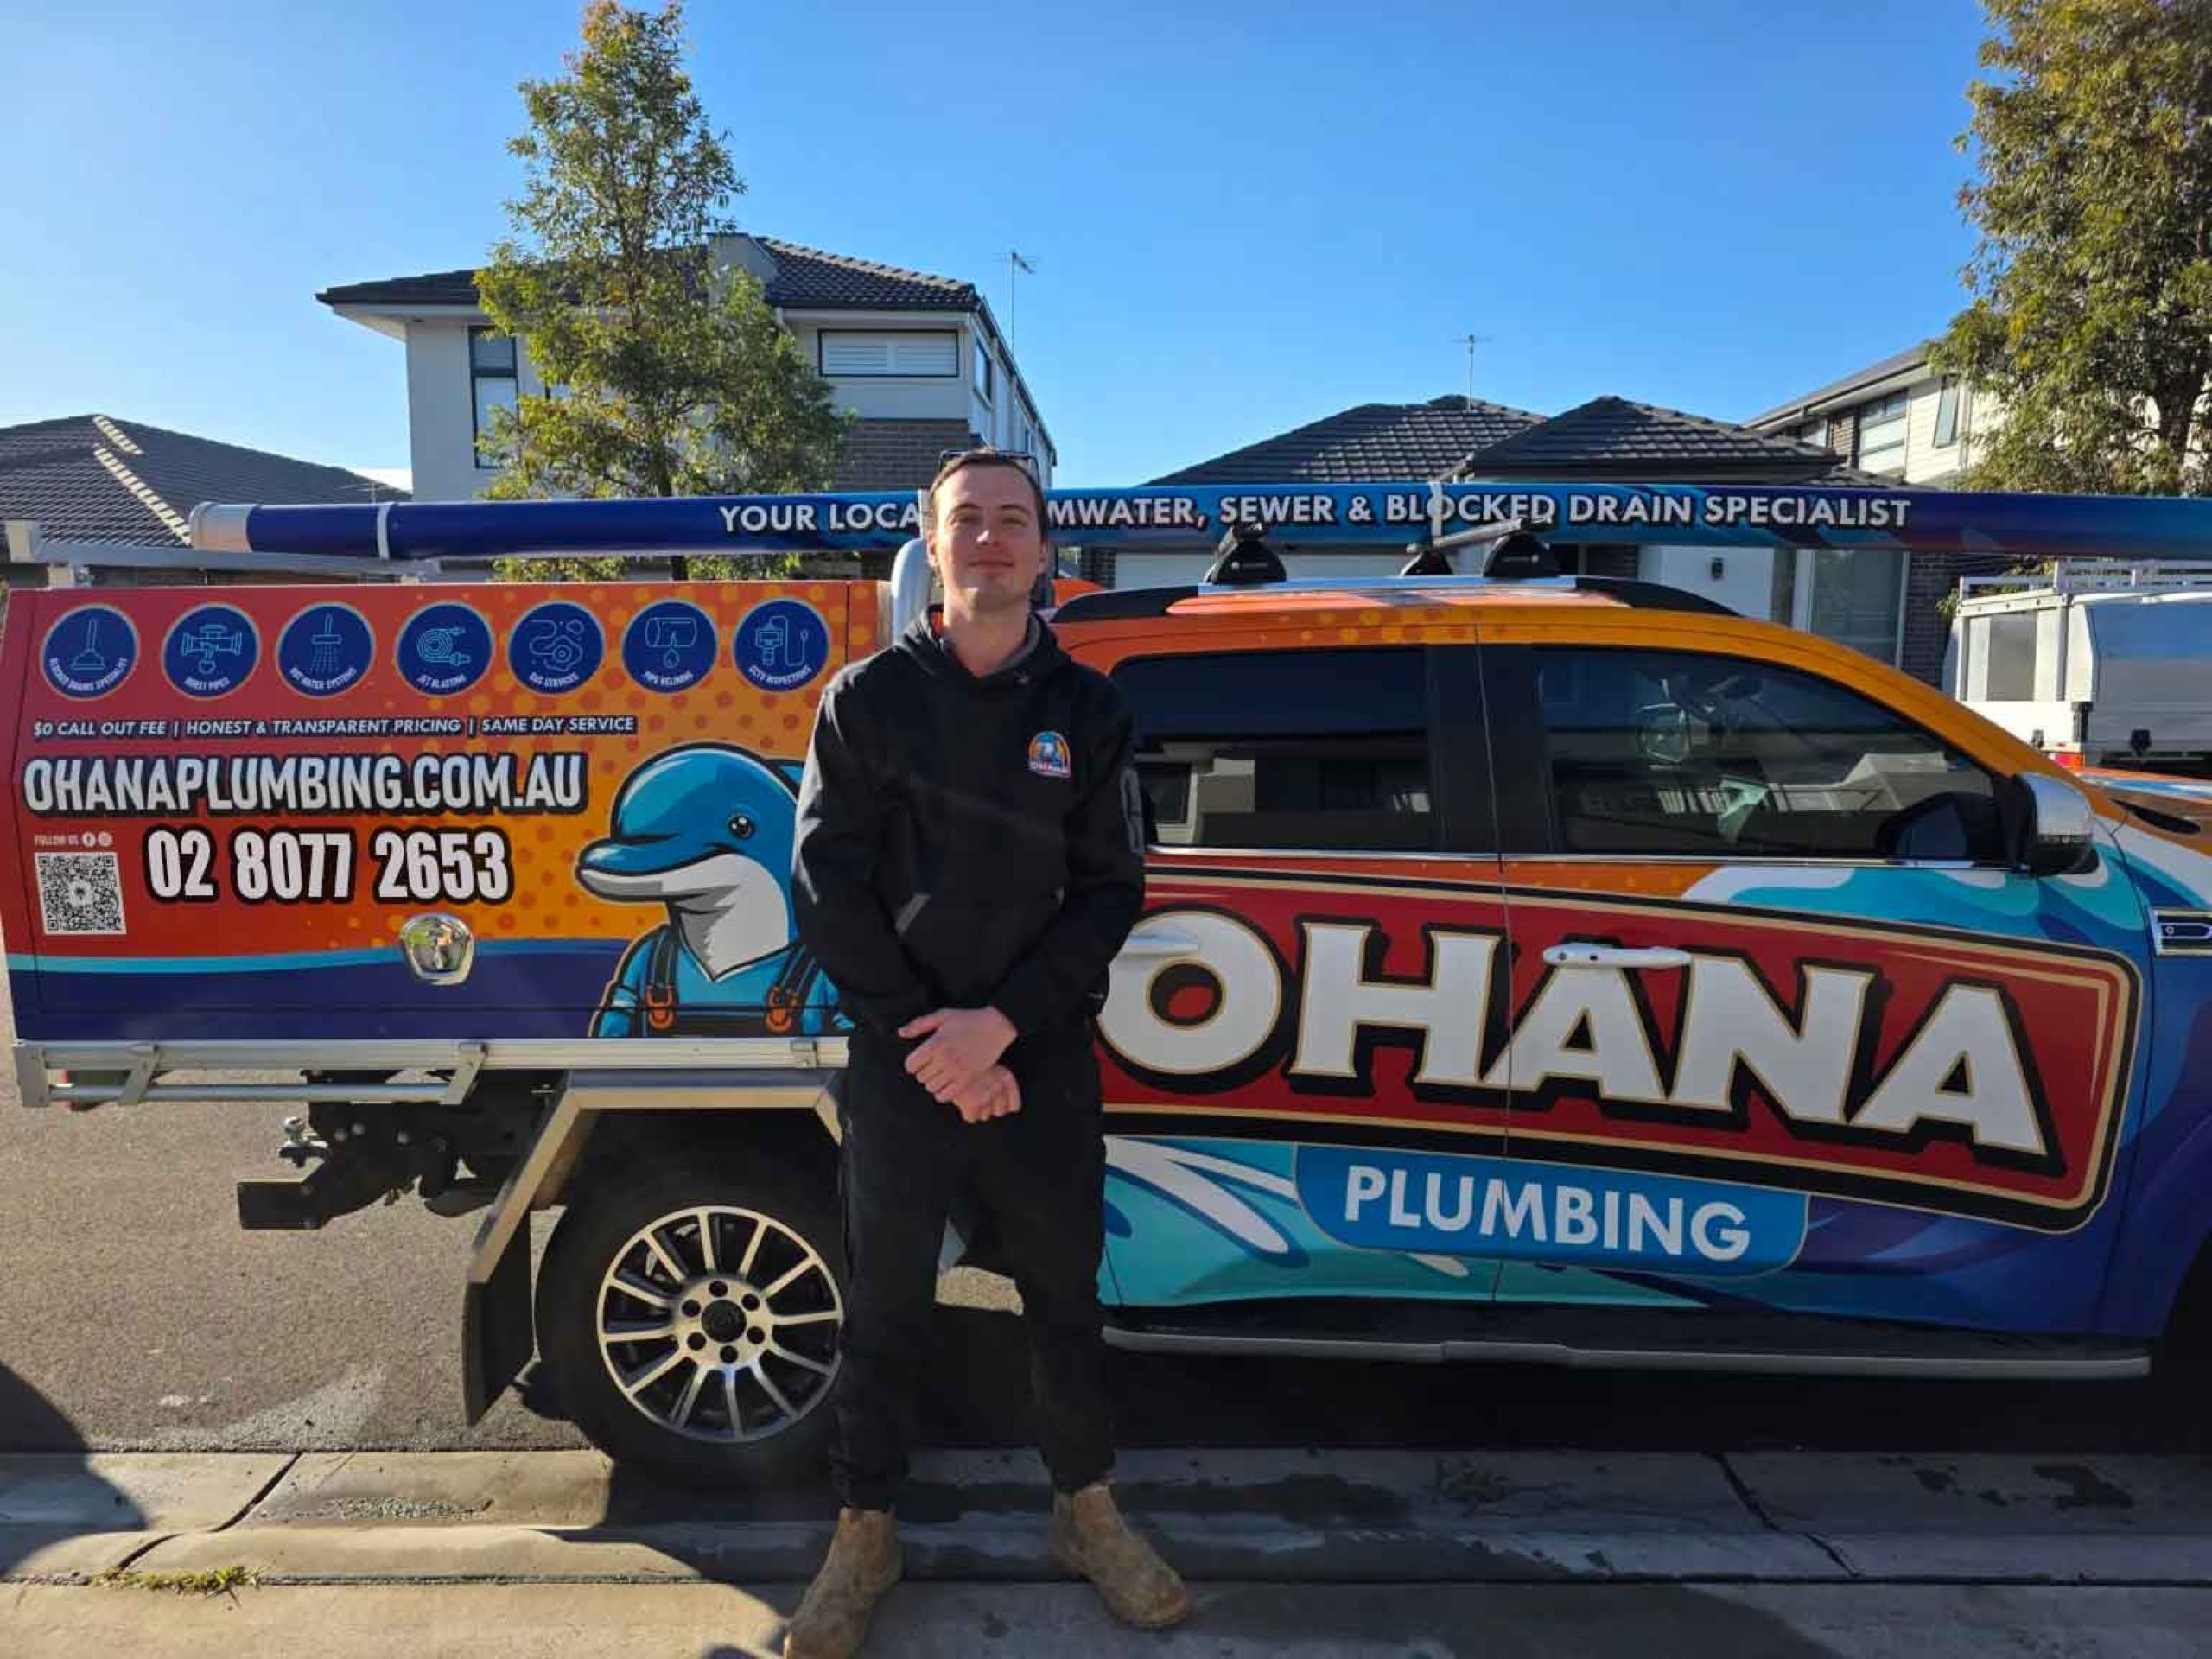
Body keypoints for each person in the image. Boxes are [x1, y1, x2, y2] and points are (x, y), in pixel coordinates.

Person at [784, 449, 1192, 1656]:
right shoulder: (865, 701)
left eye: (1016, 520)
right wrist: (933, 1038)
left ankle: (1085, 1512)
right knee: (885, 1303)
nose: (992, 539)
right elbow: (825, 884)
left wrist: (1001, 1027)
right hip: (904, 1057)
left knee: (1063, 1298)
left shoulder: (1090, 712)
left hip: (1040, 1058)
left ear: (1046, 551)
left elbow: (1110, 891)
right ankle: (865, 1531)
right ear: (932, 543)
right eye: (969, 519)